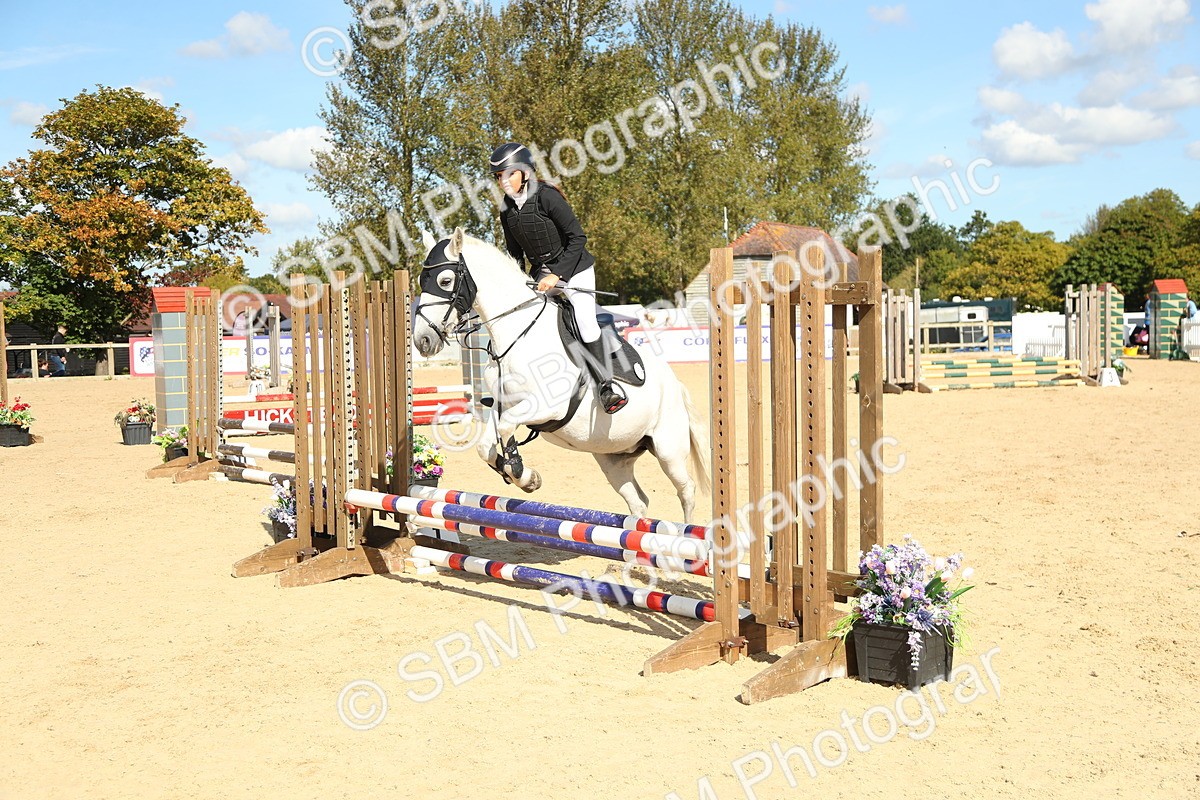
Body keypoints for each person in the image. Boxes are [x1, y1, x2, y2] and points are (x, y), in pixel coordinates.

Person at [489, 142, 626, 413]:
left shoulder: (547, 197)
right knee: (519, 317)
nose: (503, 181)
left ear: (525, 172)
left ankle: (606, 386)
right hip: (541, 275)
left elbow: (578, 238)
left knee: (585, 321)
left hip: (575, 268)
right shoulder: (506, 208)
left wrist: (557, 274)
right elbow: (515, 253)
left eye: (508, 174)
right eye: (498, 176)